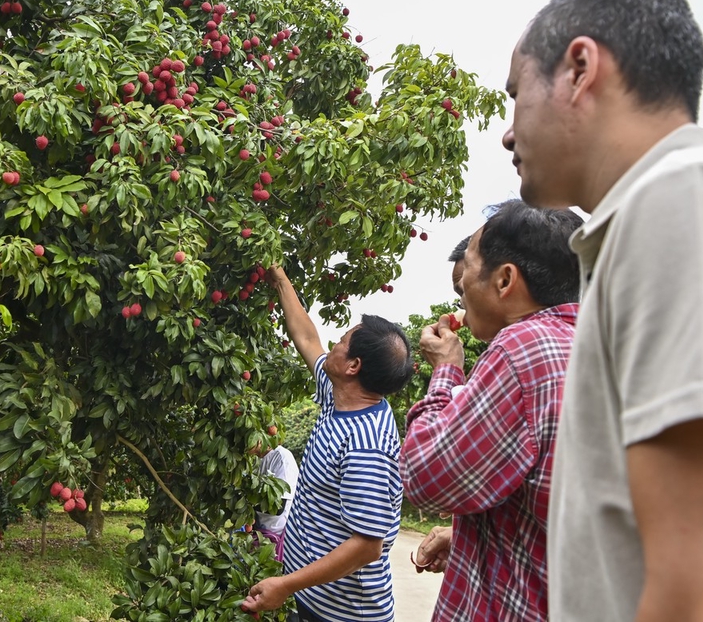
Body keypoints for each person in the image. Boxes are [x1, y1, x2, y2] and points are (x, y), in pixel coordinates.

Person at [502, 0, 703, 621]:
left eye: (515, 94)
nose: (508, 133)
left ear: (579, 67)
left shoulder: (677, 200)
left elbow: (690, 585)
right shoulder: (643, 219)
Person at [400, 200, 582, 621]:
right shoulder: (605, 344)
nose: (462, 286)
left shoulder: (524, 351)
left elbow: (425, 477)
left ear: (504, 280)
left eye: (466, 267)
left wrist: (446, 371)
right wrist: (466, 534)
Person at [242, 265, 414, 622]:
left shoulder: (367, 445)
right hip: (311, 600)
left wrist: (287, 584)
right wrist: (279, 279)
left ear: (353, 365)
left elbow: (366, 546)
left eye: (342, 341)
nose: (332, 343)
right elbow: (306, 338)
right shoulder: (339, 394)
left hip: (343, 614)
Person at [249, 441, 299, 561]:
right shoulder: (259, 461)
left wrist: (245, 503)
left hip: (277, 535)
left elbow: (278, 506)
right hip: (261, 533)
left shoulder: (282, 457)